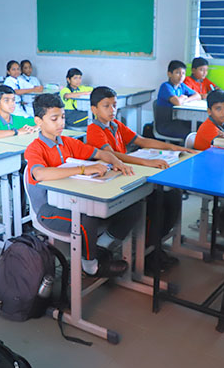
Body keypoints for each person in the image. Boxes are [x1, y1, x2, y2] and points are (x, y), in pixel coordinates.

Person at [24, 93, 139, 277]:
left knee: (131, 207)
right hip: (48, 210)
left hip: (74, 199)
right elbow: (39, 173)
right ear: (38, 121)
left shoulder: (68, 142)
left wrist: (117, 162)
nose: (61, 123)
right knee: (86, 219)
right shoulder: (35, 148)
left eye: (62, 117)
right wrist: (82, 169)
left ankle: (100, 247)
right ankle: (90, 265)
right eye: (54, 119)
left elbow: (101, 154)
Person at [87, 86, 198, 270]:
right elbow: (112, 155)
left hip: (124, 175)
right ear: (94, 109)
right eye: (106, 106)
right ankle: (146, 252)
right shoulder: (94, 130)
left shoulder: (116, 125)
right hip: (110, 182)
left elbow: (142, 141)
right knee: (154, 203)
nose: (112, 110)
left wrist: (173, 148)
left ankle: (155, 246)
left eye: (114, 105)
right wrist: (147, 162)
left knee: (171, 196)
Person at [155, 60, 197, 140]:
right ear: (169, 74)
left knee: (199, 127)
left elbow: (197, 95)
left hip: (178, 121)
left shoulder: (181, 86)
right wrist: (181, 99)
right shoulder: (165, 86)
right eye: (178, 73)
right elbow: (177, 102)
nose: (181, 76)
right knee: (192, 133)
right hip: (166, 125)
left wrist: (185, 99)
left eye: (183, 73)